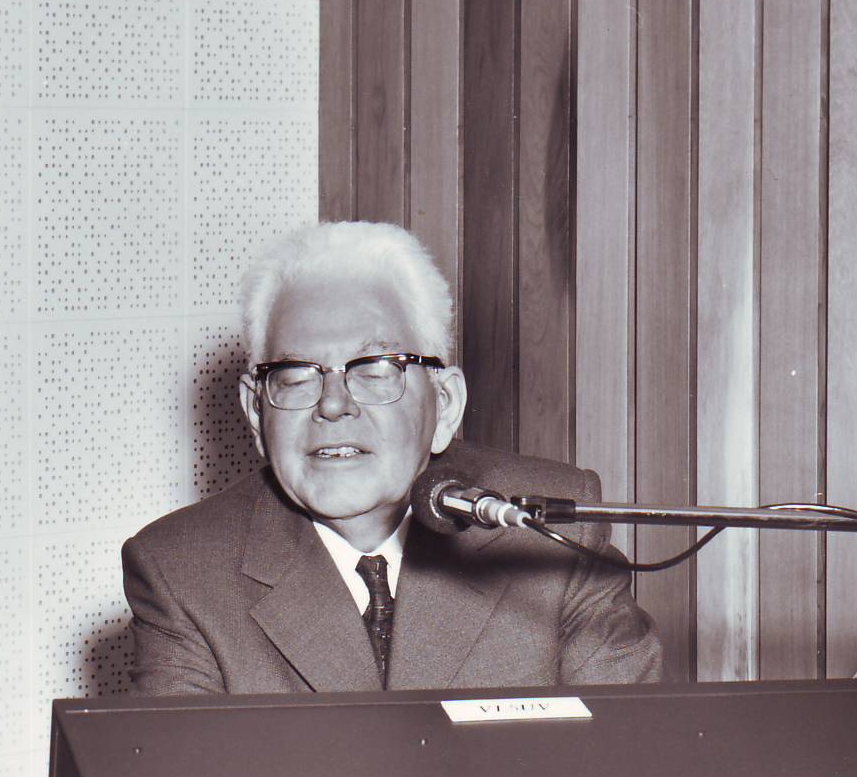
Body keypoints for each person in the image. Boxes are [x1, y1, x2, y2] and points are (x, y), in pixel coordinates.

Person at [123, 221, 663, 695]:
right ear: (255, 411)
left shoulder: (548, 535)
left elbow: (625, 759)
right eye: (296, 376)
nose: (333, 405)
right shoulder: (182, 572)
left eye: (376, 369)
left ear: (444, 405)